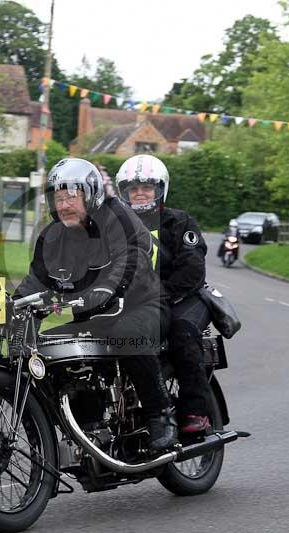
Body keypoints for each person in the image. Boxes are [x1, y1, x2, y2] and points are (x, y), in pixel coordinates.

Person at [15, 158, 177, 451]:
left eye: (71, 197)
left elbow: (133, 256)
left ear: (90, 193)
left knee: (127, 334)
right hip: (90, 316)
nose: (63, 205)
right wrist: (10, 307)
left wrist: (104, 289)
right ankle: (84, 420)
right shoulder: (53, 236)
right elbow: (36, 281)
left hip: (142, 304)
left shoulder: (118, 216)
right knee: (46, 345)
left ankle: (160, 414)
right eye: (58, 198)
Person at [115, 154, 213, 434]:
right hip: (143, 304)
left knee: (182, 333)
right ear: (124, 193)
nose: (140, 193)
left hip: (185, 298)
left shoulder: (179, 222)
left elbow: (193, 270)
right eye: (133, 188)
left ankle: (195, 411)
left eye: (147, 187)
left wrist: (158, 294)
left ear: (161, 189)